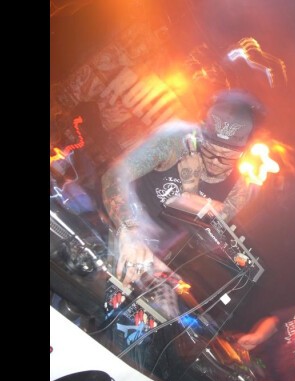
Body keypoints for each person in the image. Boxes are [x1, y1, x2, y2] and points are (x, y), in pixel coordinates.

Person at [101, 89, 266, 290]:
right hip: (113, 227)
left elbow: (202, 236)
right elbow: (115, 175)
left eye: (226, 158)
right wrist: (130, 230)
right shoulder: (175, 139)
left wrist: (191, 192)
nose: (215, 162)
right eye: (210, 150)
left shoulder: (240, 188)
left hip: (148, 259)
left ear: (245, 152)